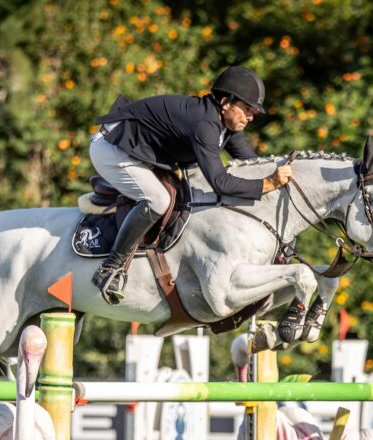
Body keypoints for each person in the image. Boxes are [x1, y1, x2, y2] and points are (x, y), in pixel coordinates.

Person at [88, 65, 294, 305]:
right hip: (112, 148)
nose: (250, 117)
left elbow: (251, 164)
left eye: (254, 112)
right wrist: (268, 183)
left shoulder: (226, 126)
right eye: (247, 109)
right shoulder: (204, 125)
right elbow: (220, 183)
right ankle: (111, 267)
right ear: (226, 101)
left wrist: (281, 182)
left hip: (138, 150)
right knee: (159, 200)